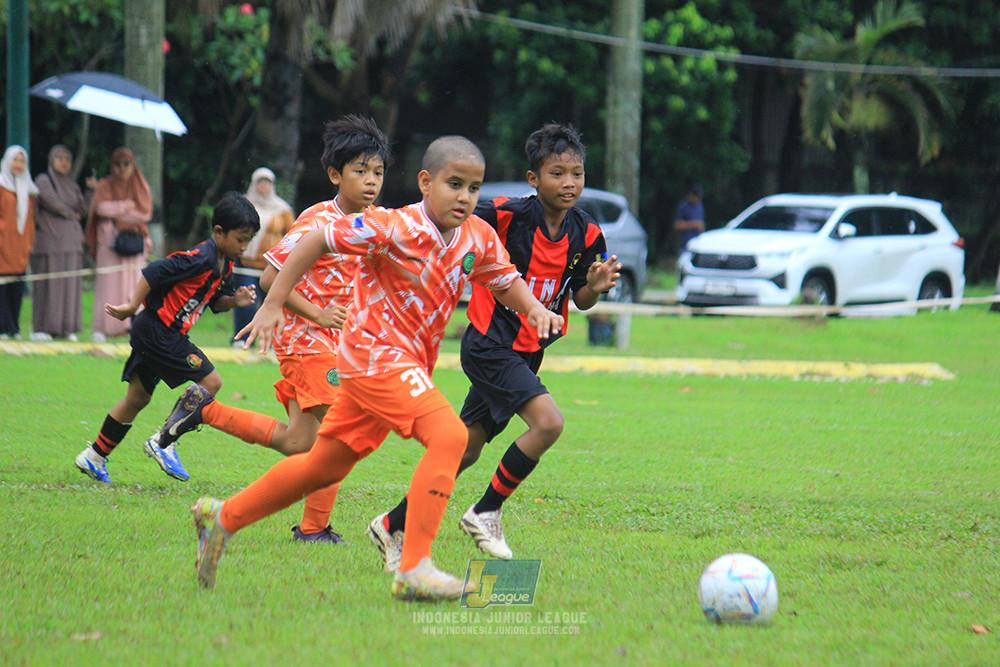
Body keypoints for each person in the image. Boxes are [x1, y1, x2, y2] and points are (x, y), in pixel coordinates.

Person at [189, 136, 563, 601]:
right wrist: (273, 302)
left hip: (400, 366)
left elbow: (503, 280)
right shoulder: (391, 226)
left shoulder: (477, 236)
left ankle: (221, 518)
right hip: (373, 358)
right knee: (450, 436)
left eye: (474, 187)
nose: (465, 197)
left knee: (319, 466)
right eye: (454, 184)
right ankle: (414, 568)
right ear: (425, 183)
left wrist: (534, 309)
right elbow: (317, 239)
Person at [368, 123, 620, 568]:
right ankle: (486, 510)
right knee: (548, 424)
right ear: (533, 179)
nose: (568, 183)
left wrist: (595, 287)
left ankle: (392, 524)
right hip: (489, 344)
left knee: (464, 448)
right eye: (557, 173)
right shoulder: (504, 215)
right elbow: (445, 213)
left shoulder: (587, 233)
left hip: (527, 351)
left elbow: (579, 299)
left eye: (576, 174)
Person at [149, 115, 393, 544]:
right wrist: (316, 314)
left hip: (338, 343)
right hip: (306, 340)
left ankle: (201, 410)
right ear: (335, 175)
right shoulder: (316, 220)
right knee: (341, 430)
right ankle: (312, 528)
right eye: (361, 171)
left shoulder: (377, 221)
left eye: (378, 172)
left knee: (300, 442)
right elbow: (269, 278)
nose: (371, 181)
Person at [73, 192, 259, 484]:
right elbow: (154, 271)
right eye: (240, 239)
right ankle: (163, 442)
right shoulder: (201, 257)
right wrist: (132, 306)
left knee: (137, 398)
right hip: (159, 331)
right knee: (211, 382)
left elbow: (214, 301)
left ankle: (93, 457)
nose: (245, 246)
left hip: (157, 333)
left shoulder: (227, 264)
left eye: (249, 240)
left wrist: (235, 300)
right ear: (219, 232)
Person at [85, 147, 153, 343]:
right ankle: (102, 328)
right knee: (109, 285)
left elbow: (144, 213)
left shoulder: (140, 186)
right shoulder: (105, 185)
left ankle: (133, 327)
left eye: (126, 164)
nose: (122, 169)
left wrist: (116, 212)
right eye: (117, 164)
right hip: (110, 244)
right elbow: (100, 208)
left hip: (134, 244)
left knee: (134, 286)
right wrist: (125, 206)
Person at [30, 145, 93, 341]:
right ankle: (44, 327)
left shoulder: (72, 184)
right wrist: (70, 213)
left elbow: (84, 209)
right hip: (50, 241)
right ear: (51, 159)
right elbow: (51, 202)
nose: (64, 162)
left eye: (67, 158)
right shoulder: (43, 180)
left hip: (72, 242)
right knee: (50, 286)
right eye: (60, 158)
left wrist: (90, 191)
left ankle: (68, 328)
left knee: (70, 287)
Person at [232, 167, 294, 345]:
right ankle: (241, 339)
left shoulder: (282, 209)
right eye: (260, 182)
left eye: (267, 182)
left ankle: (275, 342)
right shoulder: (244, 205)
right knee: (247, 303)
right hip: (246, 264)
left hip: (272, 266)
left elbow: (292, 234)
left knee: (275, 303)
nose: (264, 186)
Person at [0, 145, 39, 340]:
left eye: (22, 161)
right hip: (2, 245)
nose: (18, 165)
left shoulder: (29, 189)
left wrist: (28, 242)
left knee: (17, 288)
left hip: (21, 246)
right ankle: (2, 328)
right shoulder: (1, 185)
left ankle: (14, 328)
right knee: (2, 288)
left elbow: (30, 220)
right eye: (15, 160)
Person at [674, 182, 705, 252]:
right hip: (686, 243)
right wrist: (693, 224)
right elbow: (677, 225)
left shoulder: (700, 206)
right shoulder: (683, 207)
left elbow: (702, 223)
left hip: (698, 242)